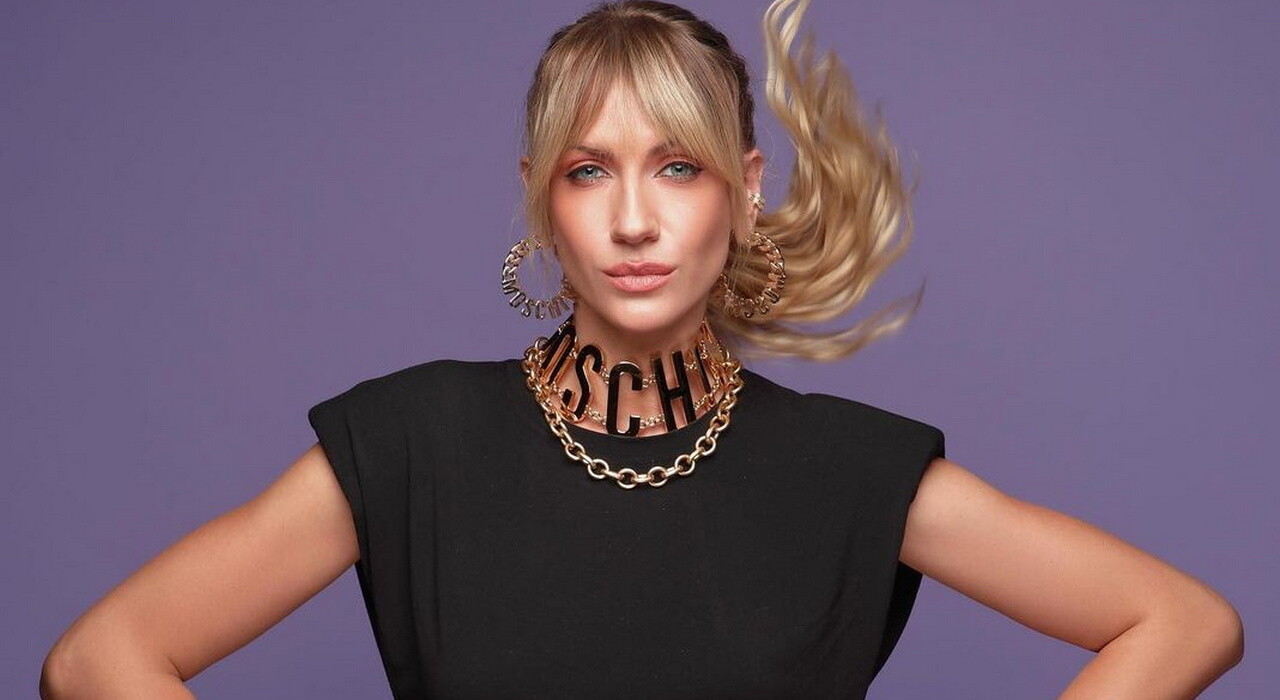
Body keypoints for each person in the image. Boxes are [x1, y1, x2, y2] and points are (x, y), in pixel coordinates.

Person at [40, 0, 1243, 698]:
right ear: (537, 196)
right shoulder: (411, 443)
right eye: (587, 171)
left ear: (744, 187)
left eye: (675, 166)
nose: (631, 219)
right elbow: (101, 658)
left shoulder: (848, 471)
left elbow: (1180, 621)